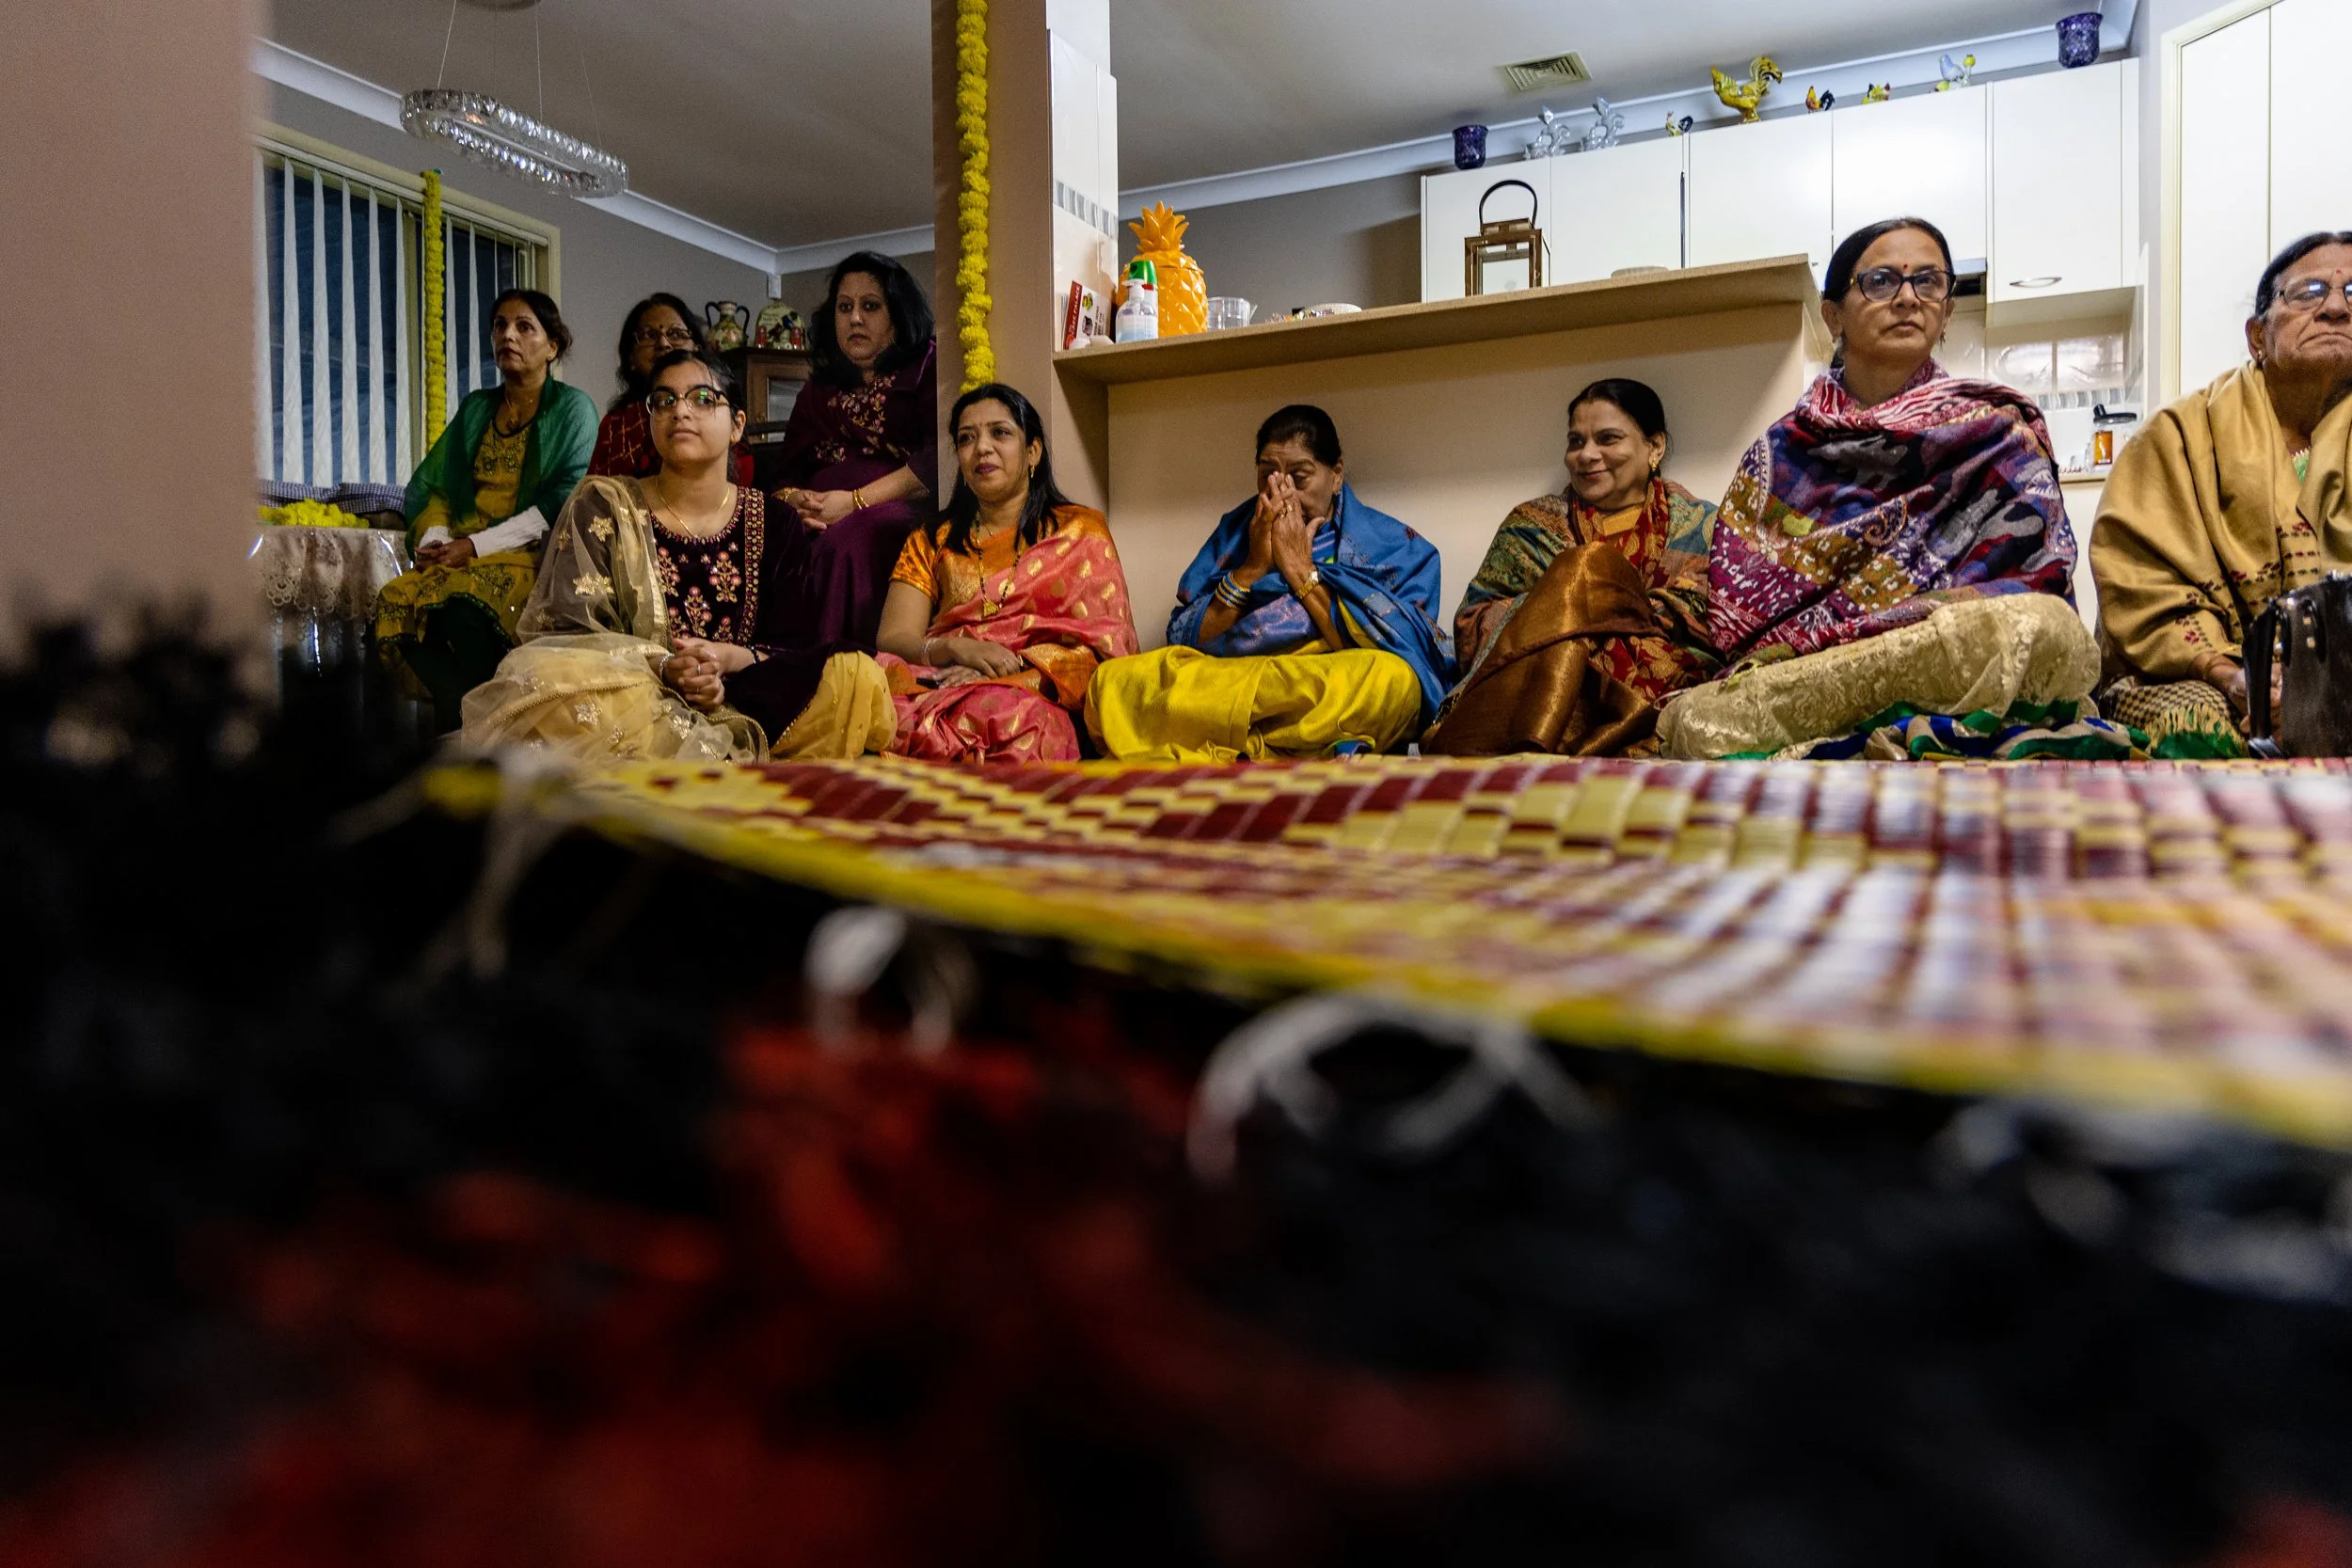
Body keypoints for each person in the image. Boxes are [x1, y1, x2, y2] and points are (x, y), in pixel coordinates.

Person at [1663, 218, 2099, 760]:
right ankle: (1903, 732)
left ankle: (1874, 734)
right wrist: (1846, 641)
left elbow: (2037, 579)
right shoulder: (1780, 452)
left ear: (1947, 312)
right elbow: (1740, 620)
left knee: (2041, 628)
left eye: (1929, 282)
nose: (1908, 298)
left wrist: (1905, 622)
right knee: (1697, 720)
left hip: (1947, 650)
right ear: (1833, 315)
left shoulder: (1995, 430)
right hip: (1817, 671)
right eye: (1881, 281)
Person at [460, 349, 893, 764]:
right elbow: (567, 634)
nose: (679, 411)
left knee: (853, 673)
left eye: (703, 399)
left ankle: (715, 746)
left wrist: (724, 659)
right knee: (547, 678)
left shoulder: (775, 519)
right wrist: (666, 666)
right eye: (663, 400)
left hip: (741, 695)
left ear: (737, 424)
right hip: (633, 692)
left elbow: (792, 646)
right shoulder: (604, 503)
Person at [2090, 230, 2352, 756]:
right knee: (2194, 723)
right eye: (2310, 291)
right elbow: (2142, 583)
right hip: (2201, 674)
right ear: (2258, 336)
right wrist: (2234, 677)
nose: (2336, 308)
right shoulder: (2179, 436)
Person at [1085, 405, 1452, 762]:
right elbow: (1187, 641)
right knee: (1114, 683)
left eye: (1300, 476)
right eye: (1267, 476)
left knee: (1392, 683)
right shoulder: (1237, 531)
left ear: (1336, 473)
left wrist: (1300, 570)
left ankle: (1233, 741)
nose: (1282, 490)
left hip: (1325, 677)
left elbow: (1404, 651)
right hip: (1235, 678)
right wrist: (1253, 568)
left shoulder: (1394, 546)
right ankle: (1292, 745)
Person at [1424, 378, 1717, 756]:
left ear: (1654, 447)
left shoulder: (1701, 526)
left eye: (1608, 439)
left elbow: (1714, 621)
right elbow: (1473, 622)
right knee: (1580, 570)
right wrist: (1563, 613)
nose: (1586, 455)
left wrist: (1591, 608)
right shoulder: (1531, 526)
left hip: (1670, 696)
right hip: (1542, 697)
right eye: (1576, 441)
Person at [874, 383, 1137, 763]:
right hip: (941, 679)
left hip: (1034, 694)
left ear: (1033, 451)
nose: (982, 447)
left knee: (1019, 720)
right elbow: (894, 637)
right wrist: (952, 648)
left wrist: (1006, 673)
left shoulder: (1081, 533)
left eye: (999, 433)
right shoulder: (933, 539)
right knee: (871, 698)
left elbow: (1105, 653)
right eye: (967, 438)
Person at [375, 289, 597, 726]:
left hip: (531, 558)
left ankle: (490, 732)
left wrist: (475, 546)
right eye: (500, 325)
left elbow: (560, 503)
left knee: (458, 611)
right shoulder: (479, 407)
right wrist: (439, 541)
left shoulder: (574, 410)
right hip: (461, 553)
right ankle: (457, 731)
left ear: (552, 347)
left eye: (524, 327)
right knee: (392, 605)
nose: (508, 335)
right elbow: (433, 485)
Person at [760, 251, 940, 651]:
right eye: (845, 307)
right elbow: (783, 476)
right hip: (823, 513)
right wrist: (799, 504)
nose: (855, 318)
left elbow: (936, 462)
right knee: (770, 535)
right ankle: (769, 669)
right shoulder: (817, 390)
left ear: (898, 314)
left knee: (847, 542)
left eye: (870, 306)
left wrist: (855, 503)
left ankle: (838, 672)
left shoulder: (926, 368)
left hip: (895, 510)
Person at [587, 293, 754, 486]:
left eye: (676, 334)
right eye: (650, 335)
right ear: (631, 358)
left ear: (696, 348)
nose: (663, 344)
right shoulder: (616, 424)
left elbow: (741, 470)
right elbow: (596, 493)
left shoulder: (717, 405)